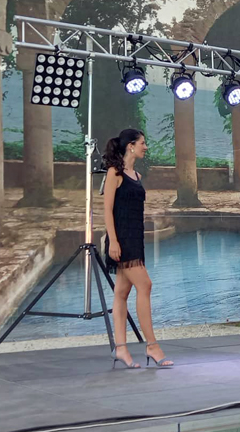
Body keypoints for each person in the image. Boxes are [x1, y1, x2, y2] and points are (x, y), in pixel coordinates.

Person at [102, 129, 173, 369]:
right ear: (130, 146)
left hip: (135, 238)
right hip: (122, 240)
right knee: (145, 285)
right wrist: (113, 241)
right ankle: (152, 345)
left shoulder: (136, 175)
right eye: (143, 143)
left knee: (122, 292)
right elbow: (107, 210)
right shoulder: (114, 173)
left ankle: (121, 349)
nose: (146, 147)